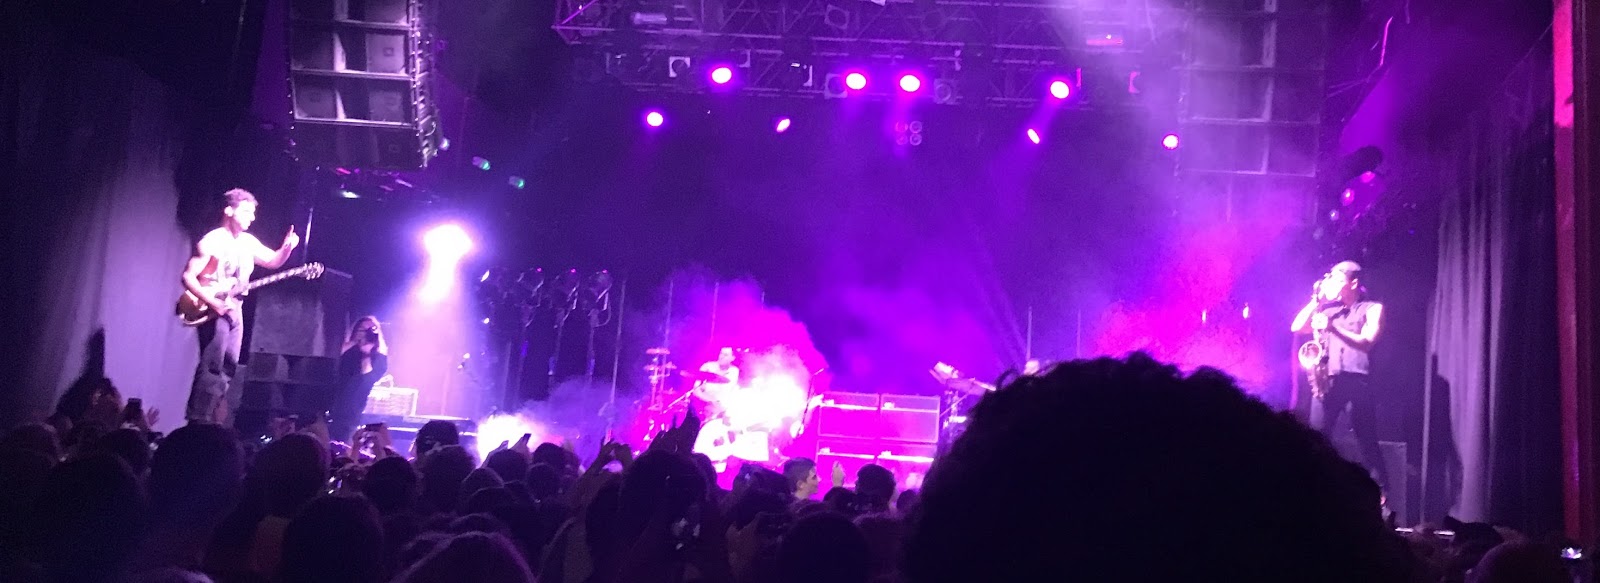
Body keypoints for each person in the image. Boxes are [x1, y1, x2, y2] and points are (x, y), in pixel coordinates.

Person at [181, 188, 298, 426]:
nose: (251, 218)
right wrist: (213, 302)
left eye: (253, 213)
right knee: (212, 364)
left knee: (229, 363)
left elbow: (272, 261)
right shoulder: (213, 241)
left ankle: (213, 414)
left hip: (236, 306)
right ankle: (198, 418)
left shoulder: (247, 242)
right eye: (246, 212)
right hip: (214, 306)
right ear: (229, 211)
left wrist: (287, 248)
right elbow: (188, 276)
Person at [1291, 260, 1387, 491]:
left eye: (1337, 278)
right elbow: (1297, 327)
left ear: (1353, 282)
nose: (1332, 282)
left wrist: (1333, 328)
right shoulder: (1327, 309)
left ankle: (1381, 494)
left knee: (1367, 440)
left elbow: (1367, 342)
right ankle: (1313, 490)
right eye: (1330, 278)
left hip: (1358, 383)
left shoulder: (1372, 308)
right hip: (1328, 382)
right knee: (1316, 439)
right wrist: (1316, 300)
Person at [332, 316, 390, 442]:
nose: (365, 333)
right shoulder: (349, 350)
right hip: (334, 400)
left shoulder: (378, 356)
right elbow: (333, 359)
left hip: (353, 408)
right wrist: (354, 341)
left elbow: (367, 378)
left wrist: (366, 353)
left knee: (344, 440)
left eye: (370, 330)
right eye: (362, 329)